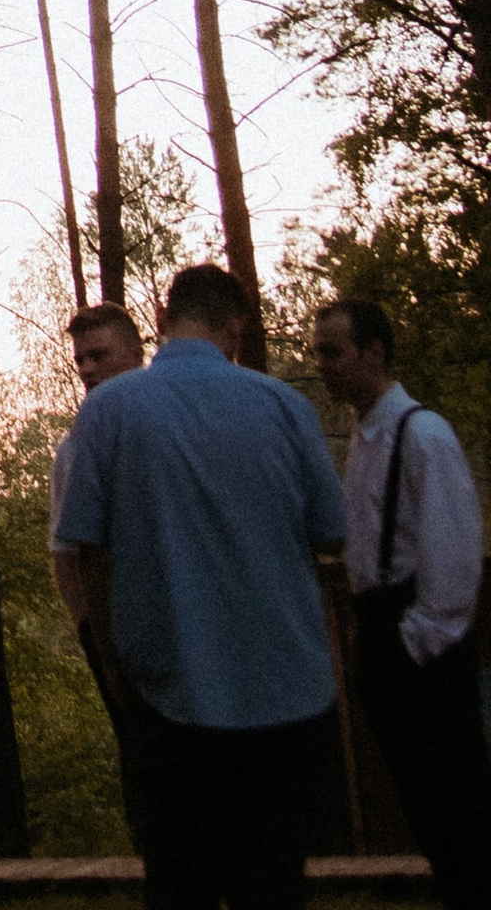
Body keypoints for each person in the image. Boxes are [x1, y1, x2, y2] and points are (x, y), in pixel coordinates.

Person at [55, 262, 345, 910]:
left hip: (168, 697)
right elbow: (331, 532)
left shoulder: (109, 411)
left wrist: (114, 662)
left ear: (162, 321)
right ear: (236, 328)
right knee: (272, 886)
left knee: (180, 883)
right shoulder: (286, 407)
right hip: (282, 694)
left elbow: (87, 553)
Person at [312, 296, 491, 910]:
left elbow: (455, 561)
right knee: (426, 809)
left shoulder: (424, 435)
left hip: (421, 651)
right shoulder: (367, 436)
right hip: (384, 635)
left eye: (332, 352)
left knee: (458, 808)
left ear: (374, 352)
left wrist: (411, 645)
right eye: (317, 352)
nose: (321, 365)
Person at [52, 303, 148, 833]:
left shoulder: (168, 426)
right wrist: (90, 630)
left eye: (99, 356)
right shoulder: (75, 448)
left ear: (136, 352)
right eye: (81, 360)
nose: (87, 368)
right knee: (140, 751)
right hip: (116, 629)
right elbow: (66, 551)